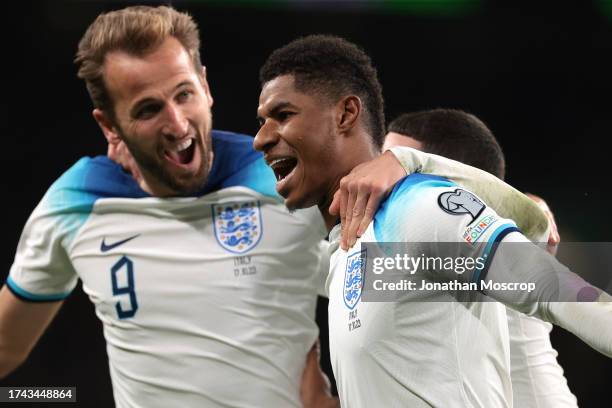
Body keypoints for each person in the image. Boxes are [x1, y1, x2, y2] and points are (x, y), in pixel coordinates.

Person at [0, 6, 337, 407]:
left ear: (206, 87)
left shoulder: (287, 179)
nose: (177, 124)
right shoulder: (78, 200)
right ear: (109, 126)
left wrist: (411, 174)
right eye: (148, 109)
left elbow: (420, 280)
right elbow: (6, 346)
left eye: (184, 94)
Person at [253, 34, 612, 407]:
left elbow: (557, 291)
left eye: (283, 115)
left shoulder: (419, 210)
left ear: (346, 114)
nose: (260, 139)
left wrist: (424, 170)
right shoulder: (351, 245)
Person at [384, 108, 576, 407]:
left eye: (397, 164)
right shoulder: (410, 240)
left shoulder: (496, 230)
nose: (378, 174)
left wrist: (530, 209)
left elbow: (528, 218)